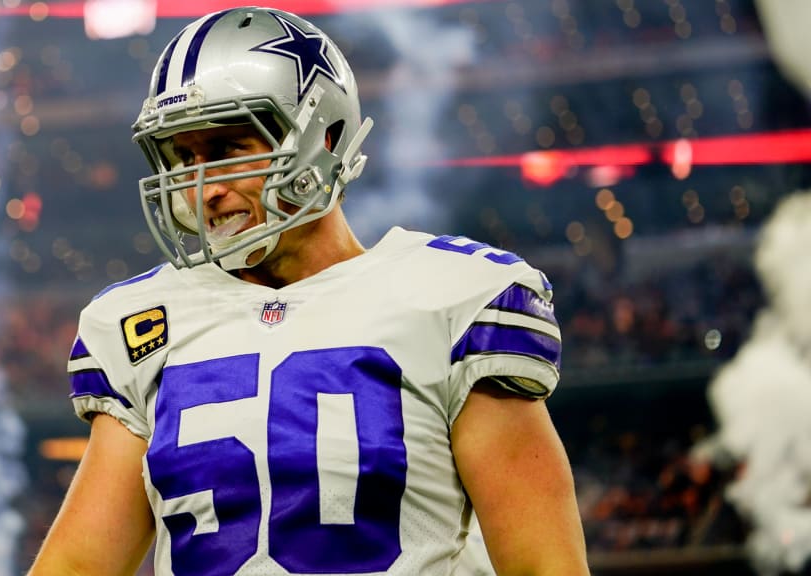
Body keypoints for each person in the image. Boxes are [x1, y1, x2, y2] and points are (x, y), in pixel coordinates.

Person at [30, 6, 589, 575]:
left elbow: (545, 567)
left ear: (323, 135)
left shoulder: (455, 299)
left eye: (226, 149)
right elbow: (77, 566)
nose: (202, 187)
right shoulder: (144, 322)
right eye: (182, 156)